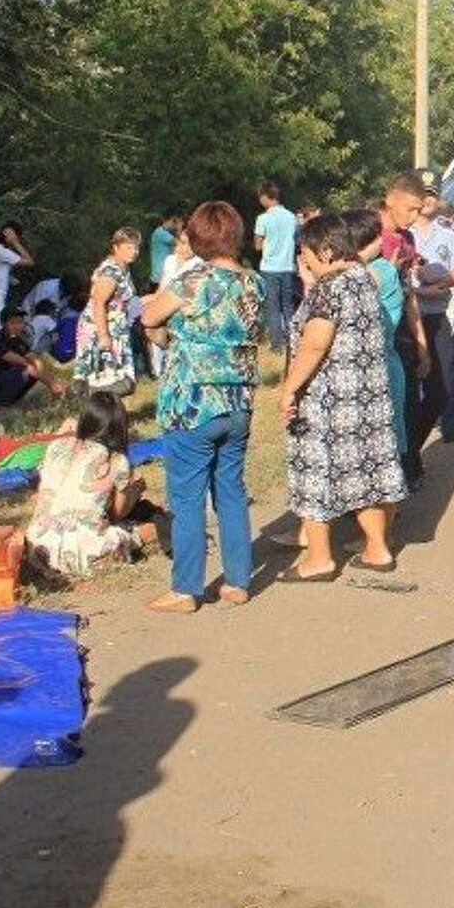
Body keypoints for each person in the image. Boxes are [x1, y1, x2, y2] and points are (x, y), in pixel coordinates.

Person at [141, 200, 263, 614]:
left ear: (197, 237)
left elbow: (150, 316)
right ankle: (238, 581)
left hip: (192, 402)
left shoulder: (191, 280)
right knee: (230, 490)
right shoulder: (255, 284)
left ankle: (186, 588)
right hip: (238, 401)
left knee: (188, 495)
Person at [275, 213, 408, 582]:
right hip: (367, 398)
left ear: (328, 250)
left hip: (328, 401)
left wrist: (289, 388)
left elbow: (315, 342)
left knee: (314, 473)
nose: (303, 260)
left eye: (307, 253)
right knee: (365, 474)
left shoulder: (330, 289)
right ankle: (378, 549)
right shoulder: (363, 279)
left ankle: (318, 558)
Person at [25, 391, 161, 579]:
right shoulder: (117, 460)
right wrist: (134, 491)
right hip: (84, 551)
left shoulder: (56, 446)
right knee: (152, 527)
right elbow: (116, 513)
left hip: (37, 545)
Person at [371, 172, 432, 483]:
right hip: (369, 337)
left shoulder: (407, 241)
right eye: (411, 208)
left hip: (399, 337)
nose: (416, 216)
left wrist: (421, 343)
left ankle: (405, 473)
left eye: (420, 209)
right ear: (390, 199)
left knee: (406, 408)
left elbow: (409, 296)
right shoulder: (367, 233)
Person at [411, 180, 454, 446]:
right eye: (423, 195)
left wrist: (437, 284)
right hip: (409, 318)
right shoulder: (404, 234)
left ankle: (447, 424)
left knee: (444, 382)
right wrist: (421, 289)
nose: (428, 201)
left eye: (432, 195)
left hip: (437, 317)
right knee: (412, 384)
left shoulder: (448, 235)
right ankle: (412, 447)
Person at [73, 227, 141, 396]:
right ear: (116, 247)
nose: (134, 252)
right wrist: (104, 335)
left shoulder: (123, 268)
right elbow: (98, 302)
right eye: (129, 247)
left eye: (136, 247)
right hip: (101, 327)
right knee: (118, 381)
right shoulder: (111, 271)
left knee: (120, 380)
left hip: (116, 327)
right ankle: (90, 396)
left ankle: (107, 412)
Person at [0, 308, 66, 408]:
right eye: (13, 323)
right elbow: (25, 364)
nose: (18, 326)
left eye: (20, 322)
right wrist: (50, 384)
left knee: (35, 371)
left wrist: (49, 377)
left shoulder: (15, 339)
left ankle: (9, 403)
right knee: (26, 370)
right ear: (3, 324)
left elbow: (34, 359)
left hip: (3, 380)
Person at [254, 181, 300, 353]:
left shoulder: (263, 218)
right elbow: (296, 240)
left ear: (266, 197)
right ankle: (292, 339)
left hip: (269, 267)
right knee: (288, 305)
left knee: (272, 306)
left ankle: (276, 343)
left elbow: (257, 246)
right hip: (287, 266)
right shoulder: (291, 217)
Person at [148, 213, 183, 289]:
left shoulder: (164, 233)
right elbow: (180, 243)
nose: (174, 225)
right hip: (159, 278)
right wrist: (179, 228)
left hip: (162, 277)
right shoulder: (160, 232)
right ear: (169, 221)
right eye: (174, 222)